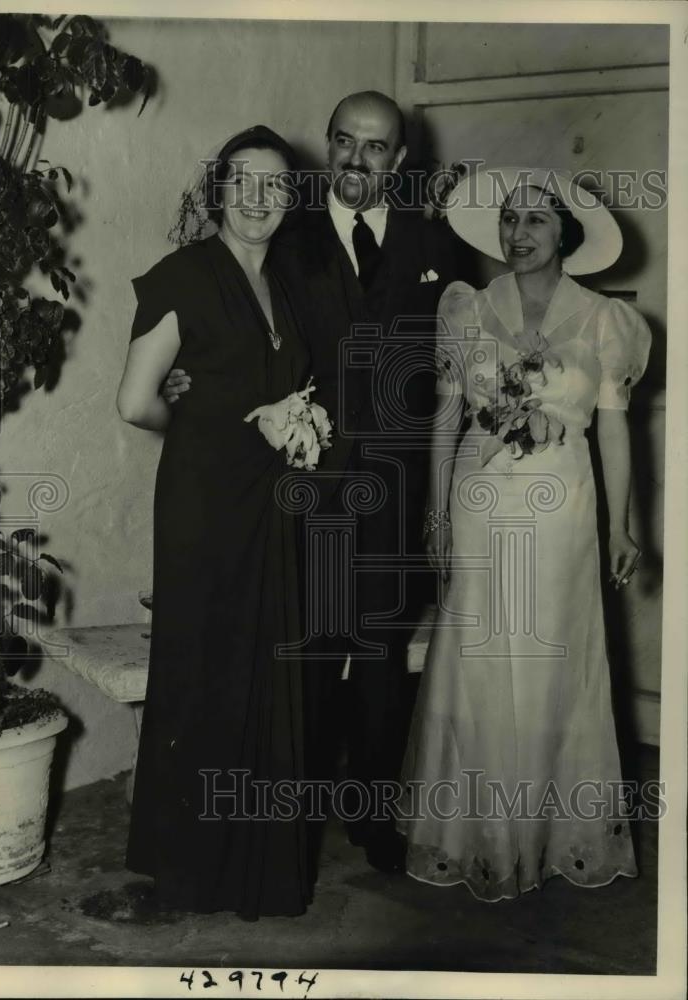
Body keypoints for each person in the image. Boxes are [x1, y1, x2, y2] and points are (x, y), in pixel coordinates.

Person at [166, 92, 468, 872]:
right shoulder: (280, 240)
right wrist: (183, 384)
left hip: (393, 493)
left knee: (376, 655)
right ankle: (286, 821)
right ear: (327, 147)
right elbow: (223, 330)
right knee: (300, 653)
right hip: (299, 487)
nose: (356, 161)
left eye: (375, 148)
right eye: (343, 142)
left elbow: (458, 374)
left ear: (398, 161)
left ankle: (371, 819)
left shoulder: (436, 246)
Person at [399, 166, 650, 901]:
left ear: (565, 233)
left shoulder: (605, 318)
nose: (518, 233)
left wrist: (621, 526)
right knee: (476, 660)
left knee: (552, 665)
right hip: (477, 501)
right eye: (508, 219)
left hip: (561, 510)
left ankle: (548, 836)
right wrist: (436, 511)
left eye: (535, 220)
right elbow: (445, 417)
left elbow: (612, 430)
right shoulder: (466, 308)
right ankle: (477, 838)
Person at [116, 126, 314, 920]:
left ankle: (256, 870)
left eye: (274, 184)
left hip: (270, 503)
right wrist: (217, 432)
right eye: (243, 181)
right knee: (203, 671)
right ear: (216, 190)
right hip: (204, 504)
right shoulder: (181, 275)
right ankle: (193, 868)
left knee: (265, 670)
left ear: (290, 198)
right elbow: (135, 403)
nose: (259, 198)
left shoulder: (290, 282)